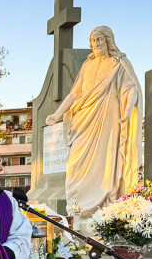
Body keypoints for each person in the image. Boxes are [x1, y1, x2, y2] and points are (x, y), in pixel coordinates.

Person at [44, 26, 142, 218]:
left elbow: (130, 89)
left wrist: (128, 109)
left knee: (105, 163)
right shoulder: (87, 66)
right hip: (84, 120)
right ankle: (77, 209)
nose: (96, 44)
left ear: (108, 41)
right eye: (93, 40)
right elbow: (74, 94)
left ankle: (103, 209)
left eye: (100, 40)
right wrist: (57, 115)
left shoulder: (118, 64)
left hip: (108, 120)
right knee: (74, 163)